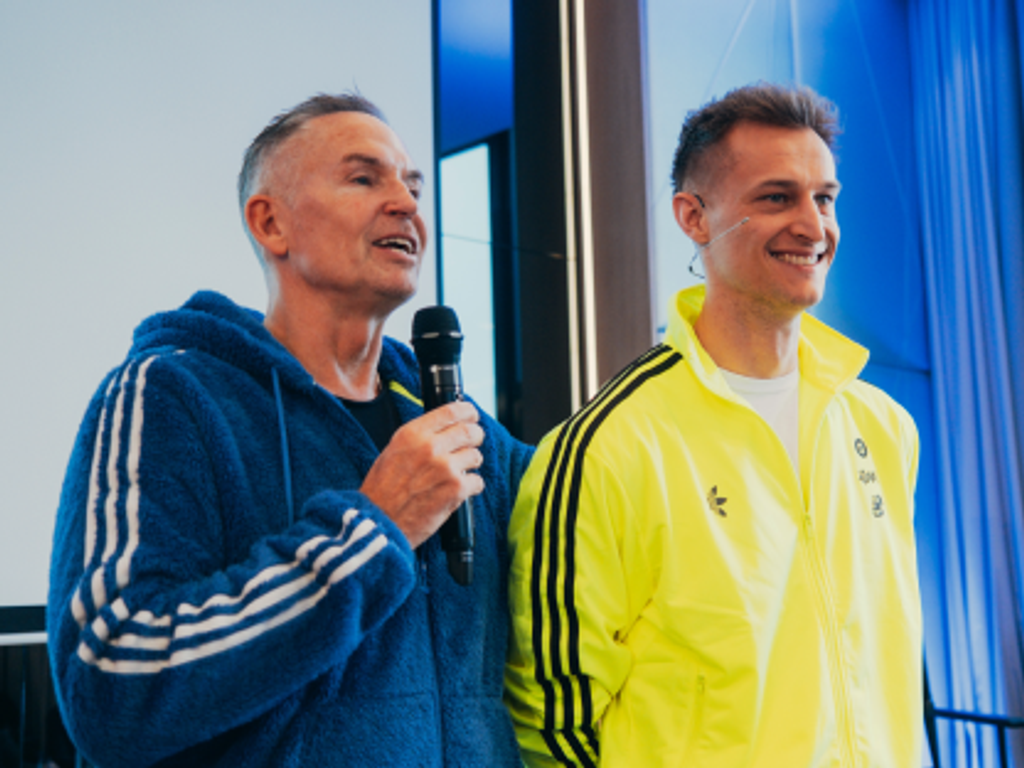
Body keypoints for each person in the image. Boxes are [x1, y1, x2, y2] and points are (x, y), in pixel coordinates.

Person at [47, 93, 532, 767]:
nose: (405, 204)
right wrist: (373, 531)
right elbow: (109, 684)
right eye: (364, 178)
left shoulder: (455, 423)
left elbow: (601, 513)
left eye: (413, 186)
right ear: (270, 223)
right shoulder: (171, 395)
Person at [504, 83, 922, 767]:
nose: (813, 226)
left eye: (824, 198)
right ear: (693, 216)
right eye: (776, 197)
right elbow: (549, 722)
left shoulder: (884, 428)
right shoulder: (605, 448)